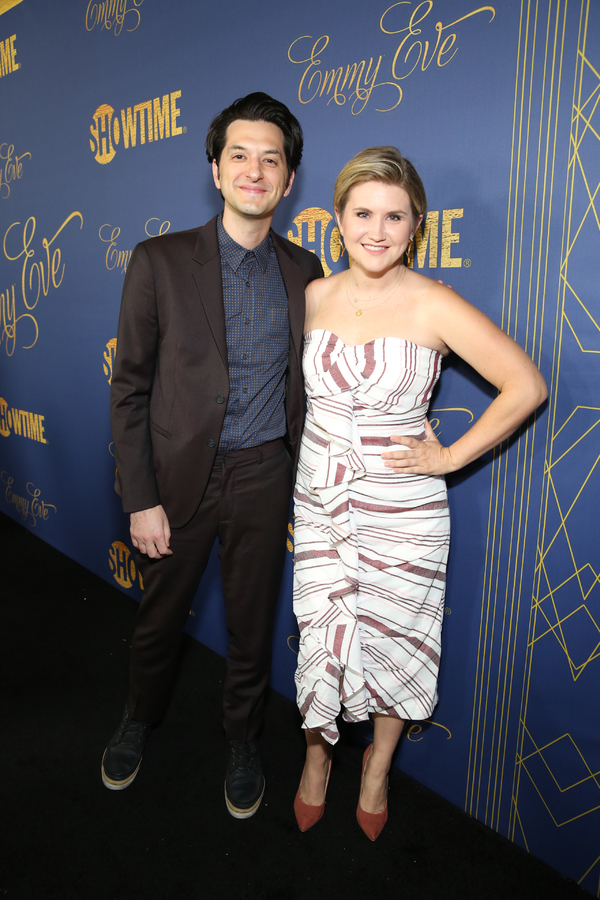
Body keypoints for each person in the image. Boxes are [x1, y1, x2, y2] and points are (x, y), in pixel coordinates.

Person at [291, 146, 547, 840]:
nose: (377, 230)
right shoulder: (312, 296)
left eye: (394, 216)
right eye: (363, 212)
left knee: (398, 641)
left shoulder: (435, 303)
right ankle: (316, 758)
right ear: (338, 219)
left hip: (402, 511)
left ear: (416, 226)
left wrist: (450, 457)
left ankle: (376, 766)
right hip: (320, 505)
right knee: (321, 632)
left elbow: (527, 385)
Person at [103, 92, 324, 819]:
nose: (255, 171)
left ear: (289, 180)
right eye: (240, 155)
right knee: (160, 618)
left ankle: (242, 739)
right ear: (215, 168)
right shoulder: (159, 260)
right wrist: (139, 497)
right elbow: (130, 388)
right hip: (176, 481)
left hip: (264, 474)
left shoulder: (306, 269)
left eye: (272, 159)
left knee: (252, 625)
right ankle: (138, 719)